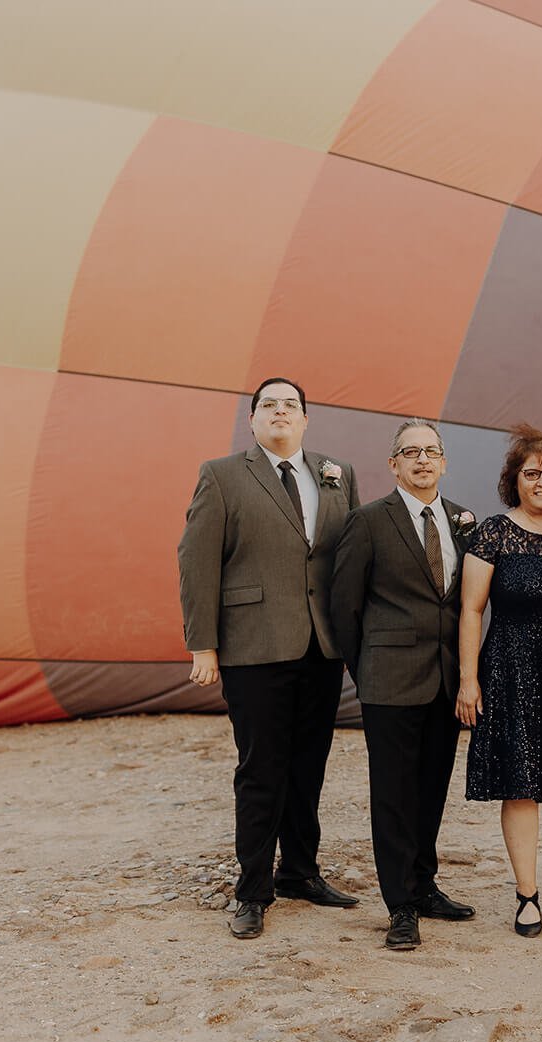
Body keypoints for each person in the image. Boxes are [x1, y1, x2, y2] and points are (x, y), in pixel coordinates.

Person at [177, 376, 361, 940]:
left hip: (321, 646)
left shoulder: (337, 474)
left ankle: (300, 872)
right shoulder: (222, 475)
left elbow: (350, 555)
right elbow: (197, 561)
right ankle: (253, 889)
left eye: (291, 405)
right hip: (253, 646)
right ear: (252, 419)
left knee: (309, 766)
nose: (281, 412)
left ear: (306, 419)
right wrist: (202, 644)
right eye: (269, 405)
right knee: (262, 769)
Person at [332, 418, 476, 951]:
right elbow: (344, 606)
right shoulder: (368, 521)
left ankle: (424, 883)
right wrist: (367, 666)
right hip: (388, 681)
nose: (422, 460)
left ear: (443, 461)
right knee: (393, 794)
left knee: (432, 789)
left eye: (431, 452)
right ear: (393, 464)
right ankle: (400, 906)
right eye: (410, 452)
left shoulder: (464, 521)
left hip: (445, 681)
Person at [456, 425, 542, 938]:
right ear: (514, 480)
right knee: (519, 788)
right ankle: (526, 896)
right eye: (532, 472)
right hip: (508, 669)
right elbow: (472, 610)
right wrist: (468, 680)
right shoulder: (493, 532)